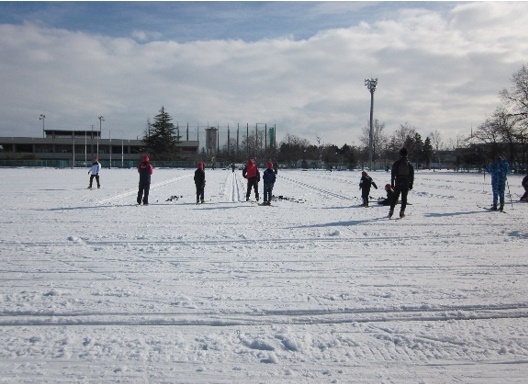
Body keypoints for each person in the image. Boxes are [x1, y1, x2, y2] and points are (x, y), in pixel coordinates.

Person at [389, 148, 414, 218]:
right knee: (404, 198)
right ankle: (402, 211)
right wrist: (411, 183)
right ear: (407, 154)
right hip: (406, 182)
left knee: (395, 197)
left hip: (398, 182)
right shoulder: (409, 164)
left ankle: (391, 210)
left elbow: (393, 174)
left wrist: (392, 183)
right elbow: (412, 175)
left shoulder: (396, 163)